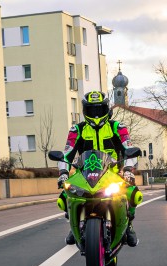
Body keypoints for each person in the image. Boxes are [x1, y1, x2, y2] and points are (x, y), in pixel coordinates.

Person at [58, 90, 139, 246]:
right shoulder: (77, 130)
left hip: (112, 174)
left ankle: (129, 225)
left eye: (99, 109)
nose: (96, 114)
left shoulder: (118, 127)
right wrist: (63, 172)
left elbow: (129, 149)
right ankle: (74, 226)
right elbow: (67, 153)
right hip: (84, 175)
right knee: (64, 195)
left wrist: (128, 170)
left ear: (106, 108)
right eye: (91, 109)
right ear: (85, 110)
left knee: (133, 193)